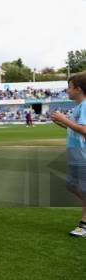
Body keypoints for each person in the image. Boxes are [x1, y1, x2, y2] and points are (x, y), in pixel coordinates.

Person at [50, 72, 86, 237]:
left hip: (83, 154)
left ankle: (83, 225)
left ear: (78, 89)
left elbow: (84, 130)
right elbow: (75, 128)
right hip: (76, 154)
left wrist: (64, 119)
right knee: (71, 185)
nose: (67, 90)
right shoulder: (78, 107)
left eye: (70, 87)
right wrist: (61, 122)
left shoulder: (85, 105)